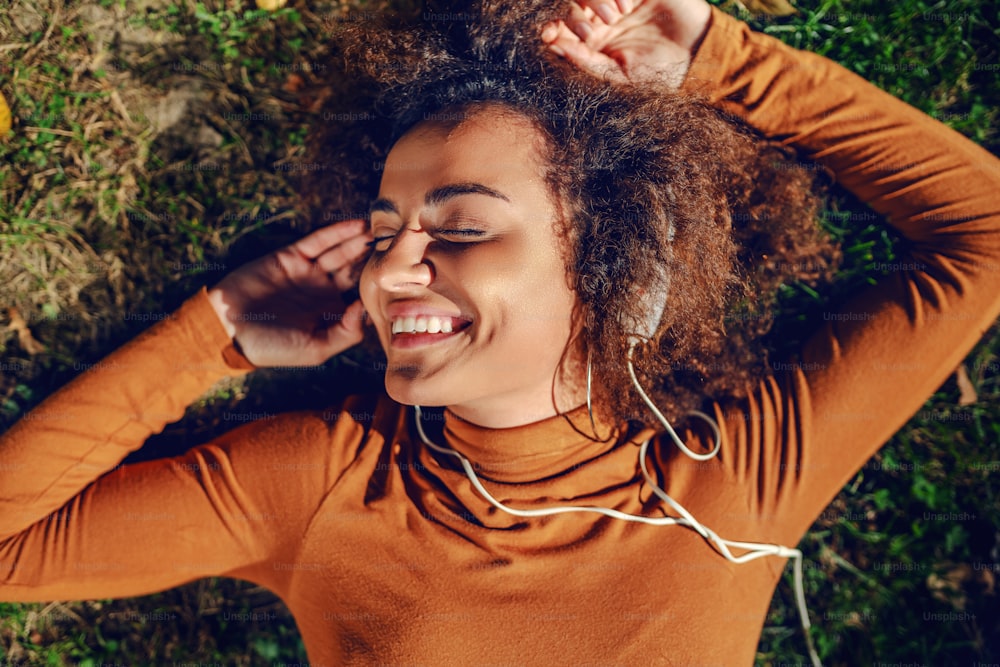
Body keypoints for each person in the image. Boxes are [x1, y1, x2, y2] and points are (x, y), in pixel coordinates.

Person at [2, 0, 998, 665]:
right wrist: (210, 335)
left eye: (462, 228)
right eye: (383, 231)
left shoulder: (734, 480)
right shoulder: (321, 485)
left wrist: (718, 65)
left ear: (616, 260)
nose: (391, 269)